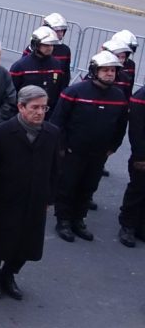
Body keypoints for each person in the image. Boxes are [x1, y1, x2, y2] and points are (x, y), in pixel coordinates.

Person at [0, 86, 60, 299]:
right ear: (21, 107)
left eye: (44, 107)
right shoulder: (1, 133)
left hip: (35, 199)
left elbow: (54, 169)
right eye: (35, 107)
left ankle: (9, 274)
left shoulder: (52, 133)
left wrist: (49, 197)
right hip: (6, 199)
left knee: (28, 242)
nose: (40, 112)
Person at [50, 51, 129, 243]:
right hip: (73, 152)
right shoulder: (74, 92)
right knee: (67, 186)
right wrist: (61, 147)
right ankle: (63, 221)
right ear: (95, 70)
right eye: (105, 70)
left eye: (113, 70)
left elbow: (121, 125)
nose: (110, 74)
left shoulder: (118, 96)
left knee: (88, 187)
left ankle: (79, 219)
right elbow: (58, 121)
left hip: (98, 154)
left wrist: (113, 147)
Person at [11, 26, 67, 119]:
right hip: (24, 115)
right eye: (46, 45)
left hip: (48, 116)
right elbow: (11, 95)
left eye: (52, 45)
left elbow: (60, 90)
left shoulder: (57, 65)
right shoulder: (20, 66)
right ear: (36, 44)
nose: (50, 48)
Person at [118, 82, 145, 247]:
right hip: (143, 155)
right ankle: (127, 225)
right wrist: (140, 156)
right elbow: (136, 130)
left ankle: (141, 225)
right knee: (138, 189)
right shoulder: (141, 96)